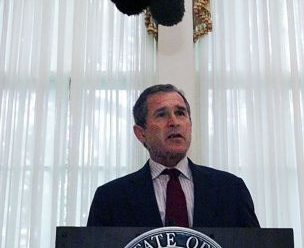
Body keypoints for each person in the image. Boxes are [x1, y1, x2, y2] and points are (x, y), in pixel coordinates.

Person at [87, 84, 259, 227]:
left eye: (181, 113)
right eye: (161, 115)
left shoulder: (231, 190)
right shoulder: (111, 198)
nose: (174, 122)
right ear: (141, 133)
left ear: (189, 126)